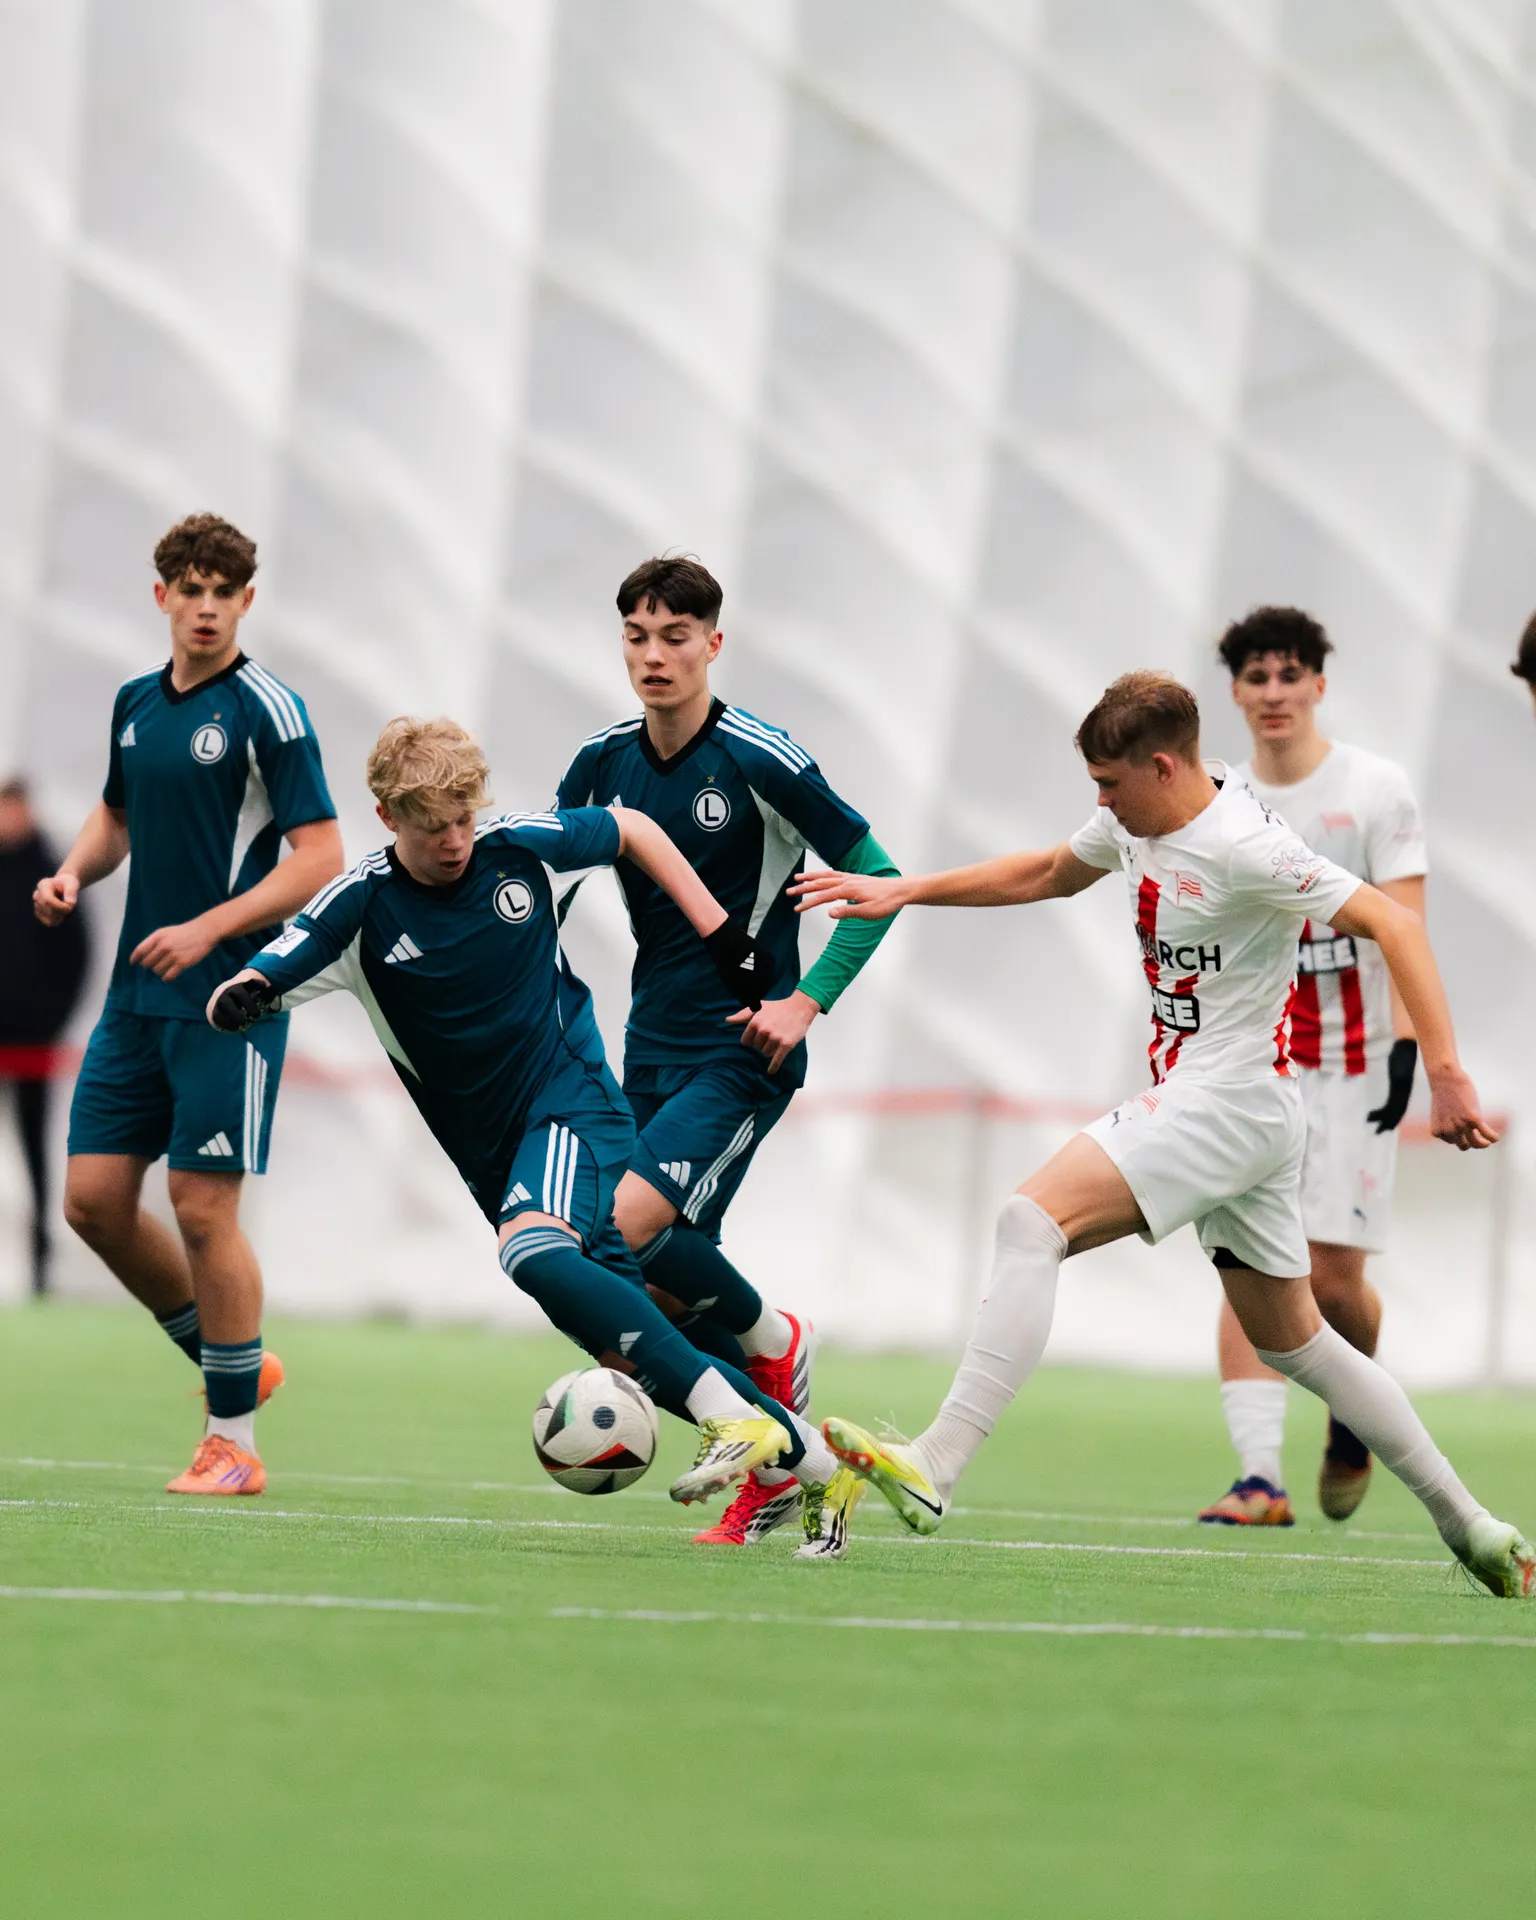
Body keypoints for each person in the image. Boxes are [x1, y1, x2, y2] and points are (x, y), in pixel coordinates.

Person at [797, 672, 1533, 1598]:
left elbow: (1392, 920)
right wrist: (906, 890)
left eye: (1110, 784)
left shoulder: (1248, 846)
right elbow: (1048, 873)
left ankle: (936, 1466)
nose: (1098, 804)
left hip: (1226, 1101)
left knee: (1032, 1223)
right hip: (1243, 1110)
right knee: (1297, 1344)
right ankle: (1472, 1525)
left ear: (1162, 764)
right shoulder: (1139, 820)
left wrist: (1446, 1069)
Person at [208, 716, 852, 1537]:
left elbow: (631, 827)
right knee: (636, 1355)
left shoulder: (516, 848)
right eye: (432, 827)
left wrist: (720, 931)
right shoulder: (359, 909)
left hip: (573, 1104)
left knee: (531, 1249)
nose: (454, 842)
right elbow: (259, 976)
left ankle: (734, 1412)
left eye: (464, 820)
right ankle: (820, 1473)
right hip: (496, 1158)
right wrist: (240, 999)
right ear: (388, 819)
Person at [554, 554, 897, 1548]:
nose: (653, 656)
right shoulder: (600, 763)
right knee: (635, 1278)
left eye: (674, 637)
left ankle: (775, 1341)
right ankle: (782, 1464)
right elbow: (543, 896)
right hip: (643, 1048)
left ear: (714, 642)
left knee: (624, 1227)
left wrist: (805, 1003)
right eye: (636, 636)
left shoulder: (760, 756)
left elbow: (879, 879)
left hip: (744, 1051)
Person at [32, 514, 343, 1495]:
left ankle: (234, 1441)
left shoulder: (270, 711)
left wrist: (213, 930)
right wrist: (75, 872)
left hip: (231, 1000)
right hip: (136, 995)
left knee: (203, 1210)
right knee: (90, 1204)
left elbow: (322, 856)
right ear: (161, 596)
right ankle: (236, 1360)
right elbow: (117, 815)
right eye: (190, 589)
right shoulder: (136, 702)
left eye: (224, 592)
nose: (205, 607)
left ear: (246, 602)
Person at [1199, 608, 1429, 1527]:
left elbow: (1405, 927)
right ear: (1236, 693)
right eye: (1256, 677)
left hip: (1358, 1065)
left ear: (1319, 685)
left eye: (1290, 675)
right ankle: (1260, 1478)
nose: (1274, 693)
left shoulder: (1374, 789)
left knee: (1332, 1285)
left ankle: (1352, 1414)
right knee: (1244, 1256)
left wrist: (1415, 1051)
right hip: (1256, 1065)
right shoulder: (1218, 797)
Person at [0, 778, 89, 1294]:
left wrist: (48, 1021)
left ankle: (40, 1263)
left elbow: (75, 960)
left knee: (37, 1151)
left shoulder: (52, 877)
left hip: (34, 1042)